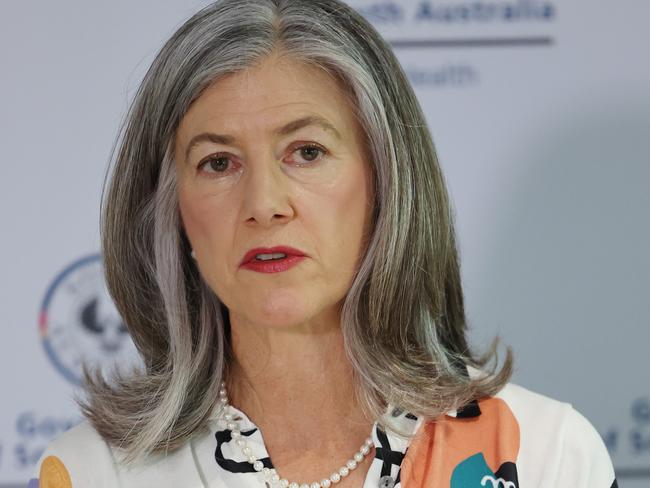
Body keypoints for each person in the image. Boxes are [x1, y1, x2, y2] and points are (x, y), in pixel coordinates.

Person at [31, 0, 617, 487]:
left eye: (306, 152)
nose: (264, 203)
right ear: (172, 211)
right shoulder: (92, 473)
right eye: (218, 163)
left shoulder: (549, 457)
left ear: (386, 181)